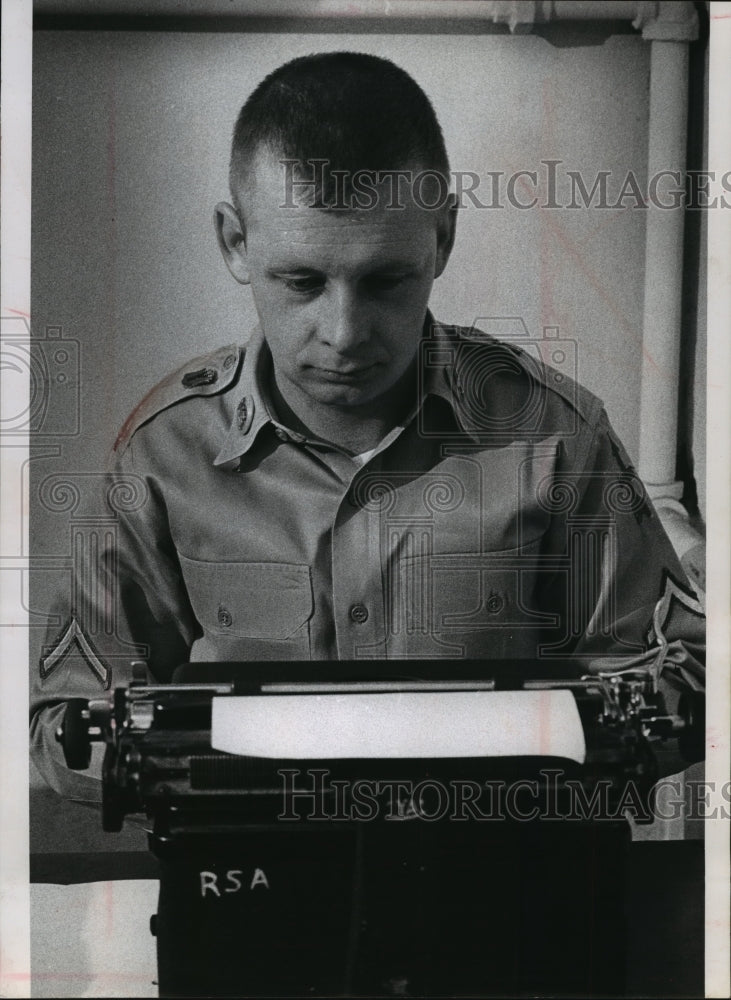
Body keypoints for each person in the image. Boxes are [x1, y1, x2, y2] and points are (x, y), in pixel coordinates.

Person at [29, 51, 704, 994]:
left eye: (386, 280)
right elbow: (61, 725)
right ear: (233, 242)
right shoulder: (163, 456)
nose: (344, 333)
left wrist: (587, 738)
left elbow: (681, 682)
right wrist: (181, 751)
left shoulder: (552, 435)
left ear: (444, 240)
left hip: (517, 920)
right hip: (260, 924)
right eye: (300, 281)